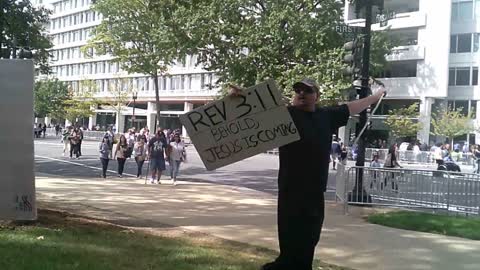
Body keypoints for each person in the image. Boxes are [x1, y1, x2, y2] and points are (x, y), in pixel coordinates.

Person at [230, 78, 386, 270]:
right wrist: (238, 99)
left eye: (307, 91)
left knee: (310, 236)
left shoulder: (327, 115)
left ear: (317, 97)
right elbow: (252, 114)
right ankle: (286, 264)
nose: (301, 94)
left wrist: (377, 96)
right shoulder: (285, 115)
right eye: (298, 91)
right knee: (290, 235)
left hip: (314, 190)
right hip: (290, 188)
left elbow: (353, 107)